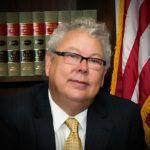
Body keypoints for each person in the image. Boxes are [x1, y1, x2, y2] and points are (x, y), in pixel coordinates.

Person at [0, 18, 145, 150]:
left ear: (103, 76)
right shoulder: (9, 114)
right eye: (72, 56)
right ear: (49, 64)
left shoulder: (126, 118)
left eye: (94, 61)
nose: (83, 68)